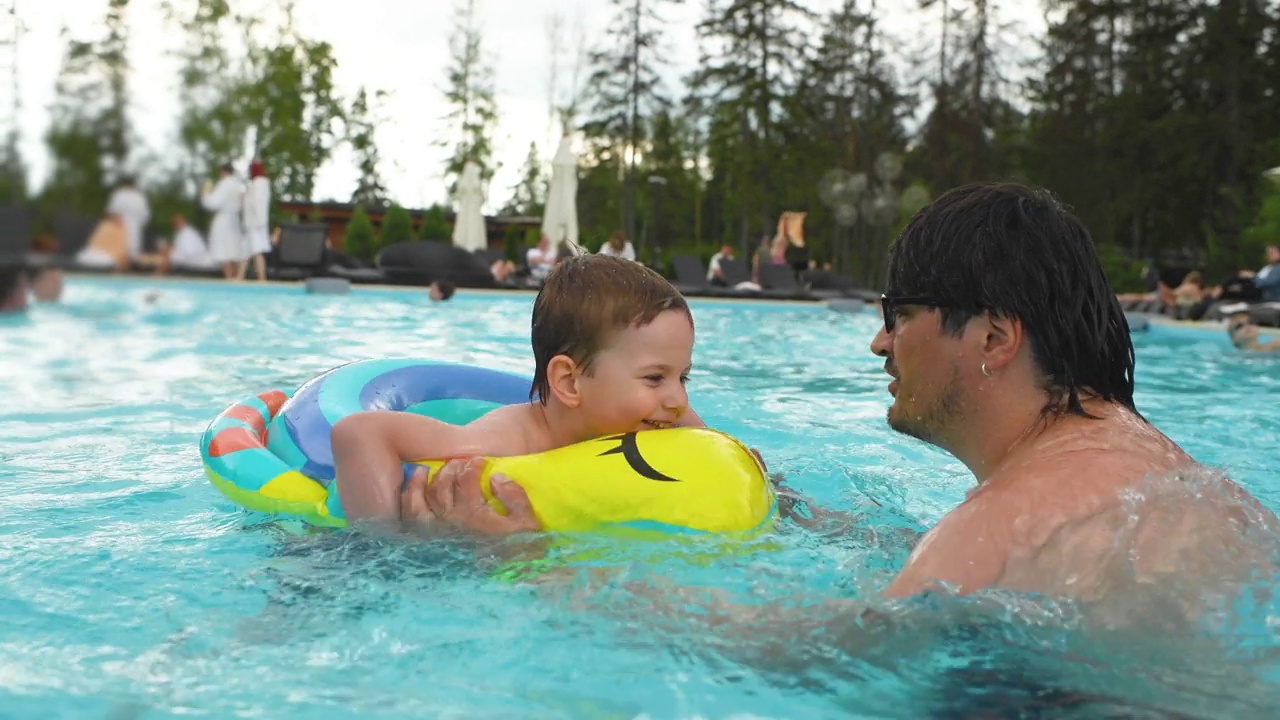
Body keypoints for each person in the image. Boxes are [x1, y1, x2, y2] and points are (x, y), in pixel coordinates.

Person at [416, 182, 1279, 610]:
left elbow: (827, 667)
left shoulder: (992, 527)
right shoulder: (1156, 471)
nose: (877, 343)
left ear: (993, 337)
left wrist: (535, 562)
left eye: (898, 315)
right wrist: (783, 505)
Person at [333, 254, 706, 524]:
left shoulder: (658, 415)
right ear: (569, 382)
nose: (677, 401)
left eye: (682, 377)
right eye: (655, 378)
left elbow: (696, 432)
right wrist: (385, 544)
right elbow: (359, 432)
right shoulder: (506, 444)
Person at [202, 163, 247, 280]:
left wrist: (206, 193)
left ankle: (228, 278)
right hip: (235, 221)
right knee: (233, 250)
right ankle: (236, 278)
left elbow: (213, 203)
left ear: (223, 172)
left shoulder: (224, 184)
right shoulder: (238, 186)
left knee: (223, 251)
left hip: (223, 220)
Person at [239, 158, 272, 282]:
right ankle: (240, 276)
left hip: (255, 223)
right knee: (246, 251)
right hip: (254, 223)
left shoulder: (258, 184)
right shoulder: (260, 184)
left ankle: (262, 278)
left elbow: (256, 203)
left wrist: (246, 197)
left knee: (256, 251)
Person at [105, 176, 150, 264]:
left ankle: (129, 268)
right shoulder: (119, 194)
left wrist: (141, 224)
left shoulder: (140, 197)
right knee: (119, 251)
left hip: (135, 227)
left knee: (133, 250)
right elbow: (112, 213)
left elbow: (145, 216)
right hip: (121, 225)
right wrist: (116, 222)